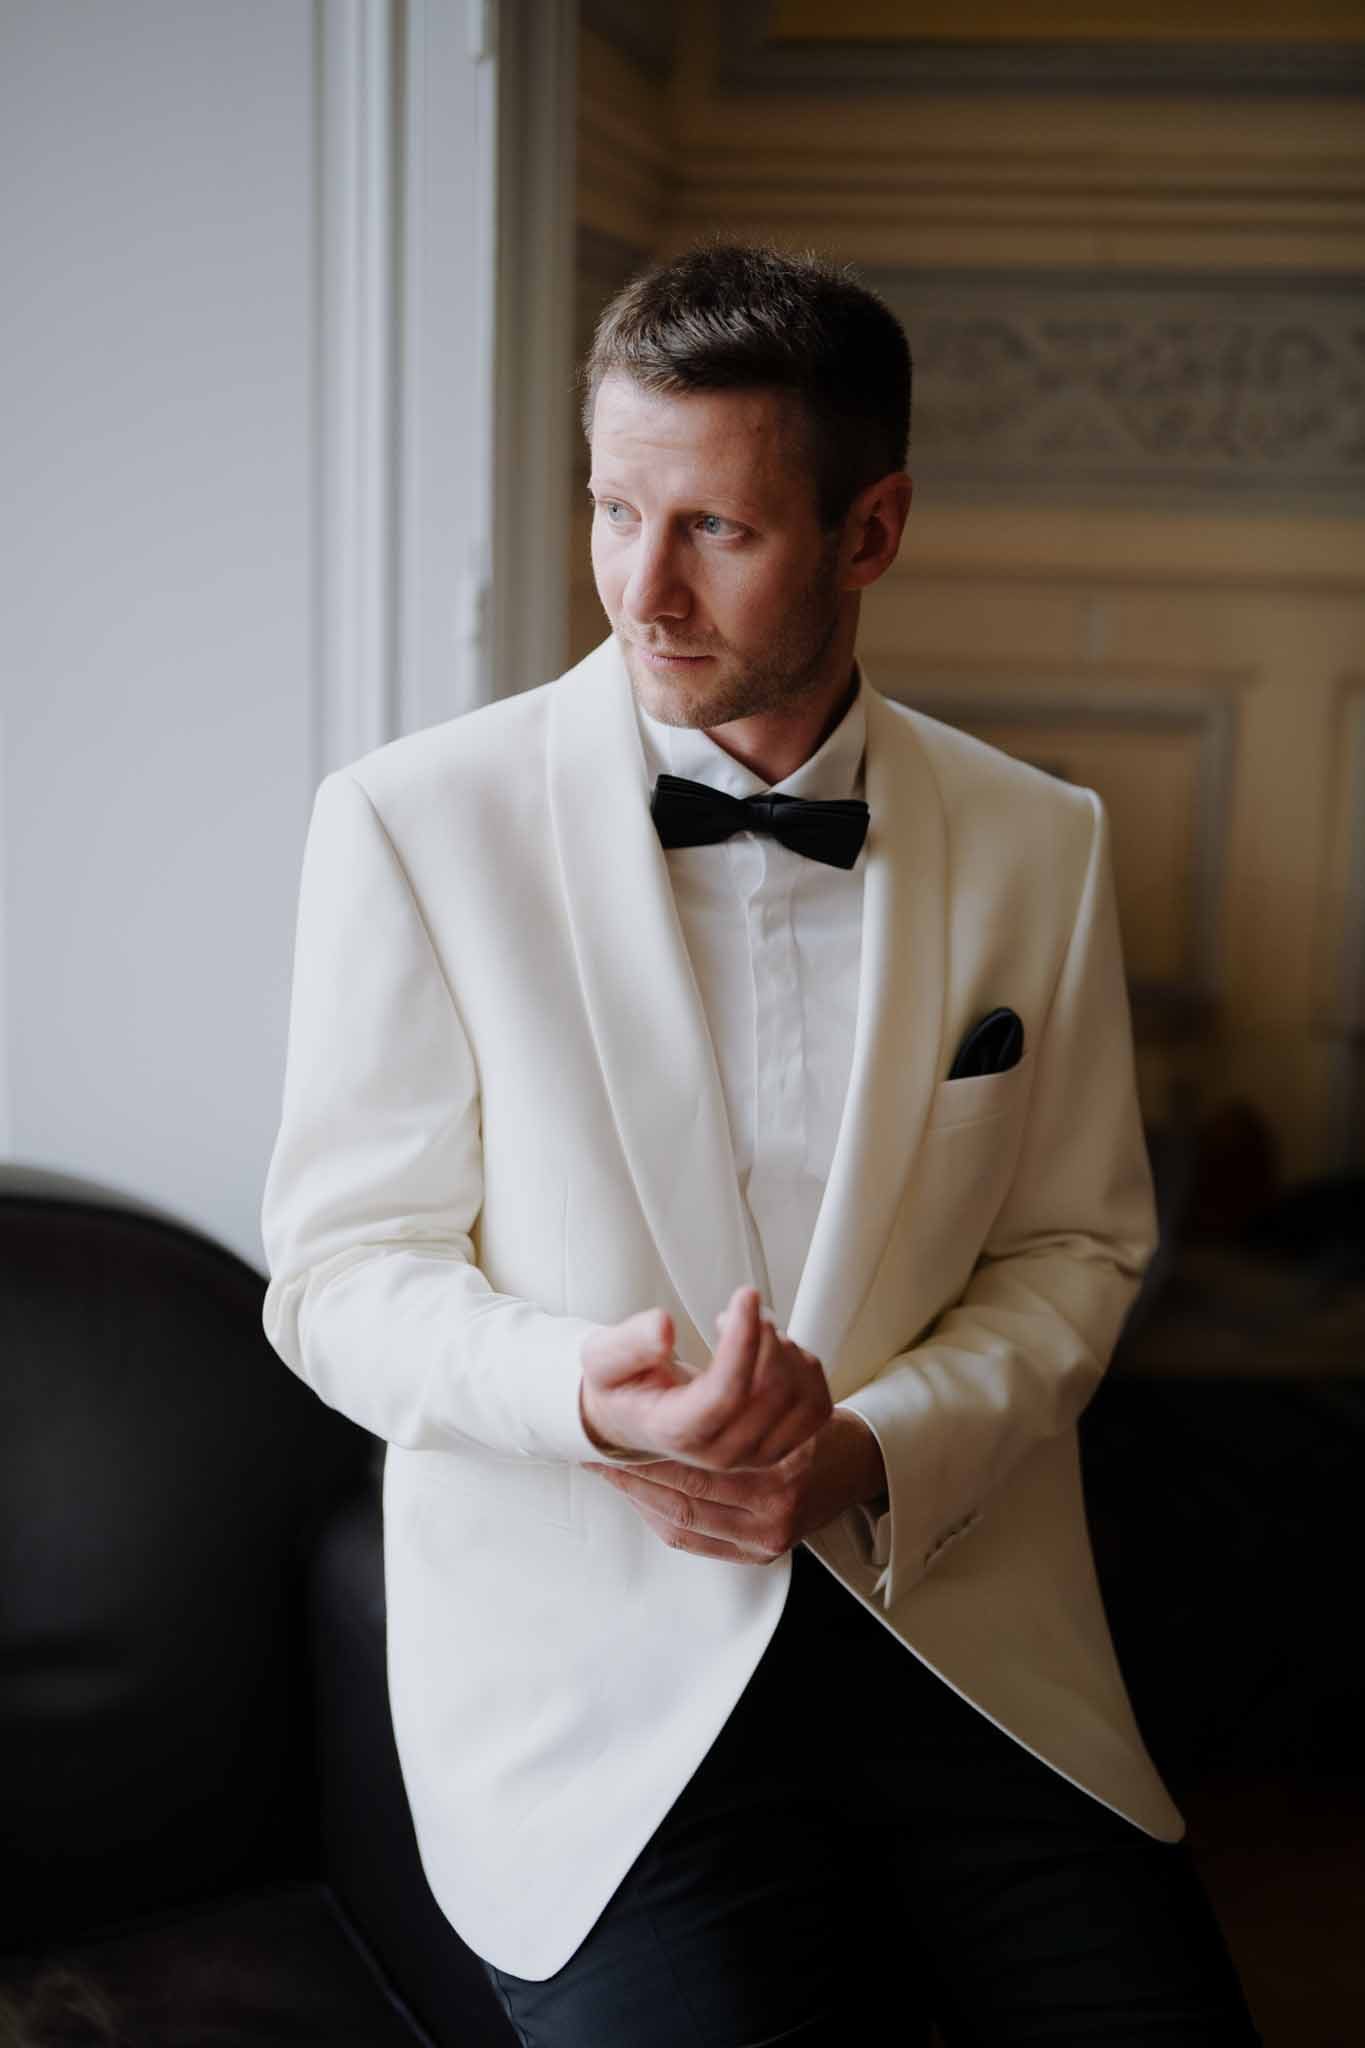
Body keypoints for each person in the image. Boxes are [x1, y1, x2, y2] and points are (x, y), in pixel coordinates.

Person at [260, 242, 1259, 2044]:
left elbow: (1078, 1249)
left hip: (964, 1644)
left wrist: (869, 1449)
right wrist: (585, 1392)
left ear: (869, 532)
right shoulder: (412, 825)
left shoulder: (1043, 840)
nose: (642, 590)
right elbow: (337, 1278)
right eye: (611, 508)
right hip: (591, 1685)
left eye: (713, 529)